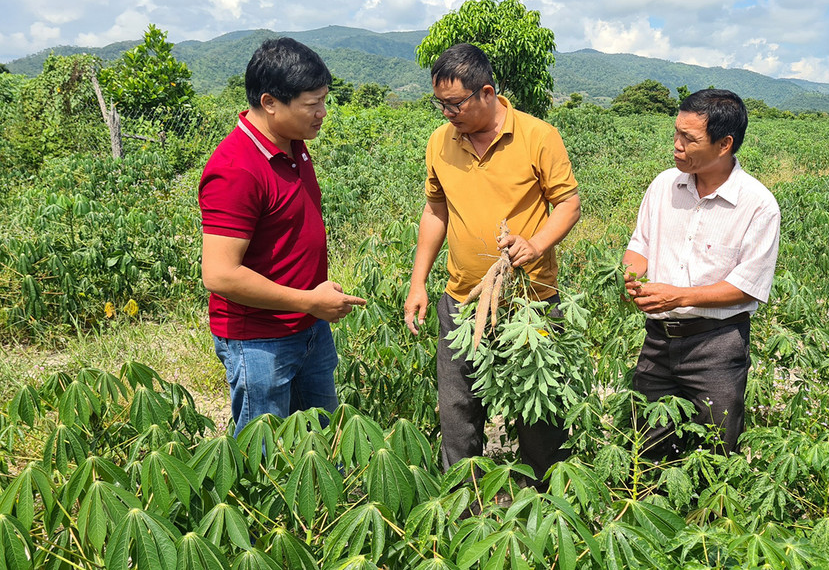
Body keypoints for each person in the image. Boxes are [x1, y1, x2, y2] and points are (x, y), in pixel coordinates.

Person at [403, 43, 581, 484]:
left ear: (486, 92)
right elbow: (435, 211)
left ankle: (541, 505)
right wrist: (418, 281)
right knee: (458, 412)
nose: (447, 114)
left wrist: (535, 245)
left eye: (455, 104)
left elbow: (568, 204)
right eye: (439, 104)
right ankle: (463, 505)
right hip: (462, 301)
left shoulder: (539, 135)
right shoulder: (440, 141)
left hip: (530, 304)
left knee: (538, 415)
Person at [199, 37, 365, 436]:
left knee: (321, 444)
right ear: (271, 102)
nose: (322, 114)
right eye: (313, 104)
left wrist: (312, 302)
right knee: (266, 456)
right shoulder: (236, 168)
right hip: (260, 340)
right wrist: (309, 300)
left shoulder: (292, 145)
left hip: (309, 326)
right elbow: (220, 275)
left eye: (325, 101)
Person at [622, 88, 780, 460]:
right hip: (658, 340)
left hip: (716, 345)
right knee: (647, 447)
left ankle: (705, 518)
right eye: (675, 133)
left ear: (724, 144)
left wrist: (679, 296)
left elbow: (747, 287)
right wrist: (631, 273)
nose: (676, 145)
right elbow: (639, 244)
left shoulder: (758, 205)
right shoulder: (663, 185)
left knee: (713, 452)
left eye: (688, 139)